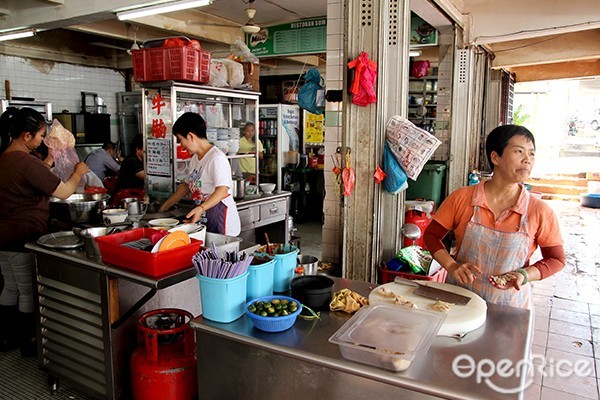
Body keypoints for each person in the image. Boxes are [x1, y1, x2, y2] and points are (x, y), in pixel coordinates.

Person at [423, 124, 565, 309]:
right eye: (519, 151)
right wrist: (451, 266)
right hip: (460, 301)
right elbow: (431, 236)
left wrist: (525, 274)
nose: (527, 160)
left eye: (531, 153)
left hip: (510, 307)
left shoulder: (539, 211)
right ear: (495, 157)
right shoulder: (462, 198)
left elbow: (557, 259)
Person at [0, 107, 89, 356]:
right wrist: (77, 173)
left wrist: (50, 159)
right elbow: (63, 192)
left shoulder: (5, 158)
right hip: (23, 237)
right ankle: (29, 342)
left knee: (10, 287)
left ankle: (8, 338)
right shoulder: (26, 162)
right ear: (26, 136)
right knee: (27, 290)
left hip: (3, 238)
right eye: (40, 136)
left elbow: (35, 175)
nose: (41, 140)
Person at [159, 113, 241, 236]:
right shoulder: (195, 159)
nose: (182, 146)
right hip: (204, 216)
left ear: (191, 136)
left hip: (221, 218)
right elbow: (186, 186)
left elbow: (222, 191)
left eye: (181, 140)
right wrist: (165, 206)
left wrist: (201, 208)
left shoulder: (216, 158)